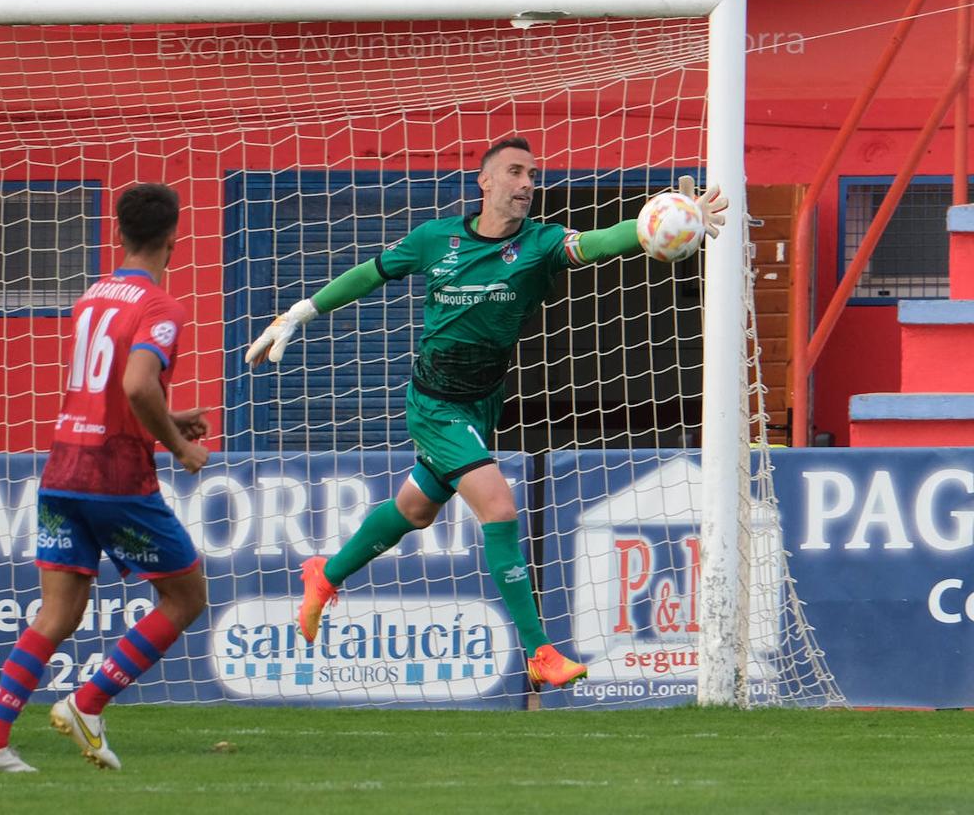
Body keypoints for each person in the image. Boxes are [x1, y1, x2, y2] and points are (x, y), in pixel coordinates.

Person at [245, 137, 726, 689]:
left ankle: (325, 576)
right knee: (498, 509)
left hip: (483, 400)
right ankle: (539, 650)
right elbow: (370, 274)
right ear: (486, 182)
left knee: (416, 508)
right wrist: (298, 314)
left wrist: (658, 223)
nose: (527, 184)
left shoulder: (541, 243)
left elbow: (597, 243)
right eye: (515, 173)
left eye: (532, 175)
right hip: (434, 402)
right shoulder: (435, 239)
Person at [0, 183, 210, 773]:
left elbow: (108, 392)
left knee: (58, 614)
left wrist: (165, 418)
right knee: (186, 595)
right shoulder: (160, 307)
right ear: (175, 237)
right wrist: (177, 445)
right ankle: (88, 701)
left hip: (62, 466)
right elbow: (134, 385)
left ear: (118, 233)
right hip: (114, 476)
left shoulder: (93, 295)